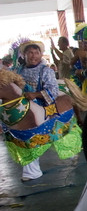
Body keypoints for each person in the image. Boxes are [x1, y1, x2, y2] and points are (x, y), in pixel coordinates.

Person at [15, 41, 61, 181]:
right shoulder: (18, 71)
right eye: (30, 53)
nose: (33, 56)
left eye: (36, 53)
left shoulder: (46, 71)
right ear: (25, 55)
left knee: (30, 136)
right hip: (21, 107)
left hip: (41, 105)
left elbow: (54, 90)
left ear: (41, 54)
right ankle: (31, 171)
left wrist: (35, 95)